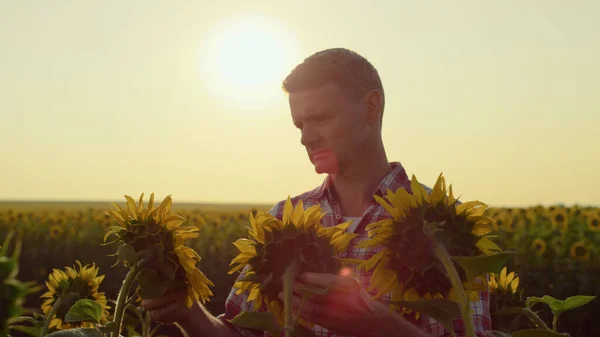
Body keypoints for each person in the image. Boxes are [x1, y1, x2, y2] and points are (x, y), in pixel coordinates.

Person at [141, 48, 491, 337]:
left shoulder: (445, 225)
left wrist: (378, 325)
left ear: (371, 107)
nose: (306, 137)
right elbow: (241, 332)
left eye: (320, 118)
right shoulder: (283, 221)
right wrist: (188, 312)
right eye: (299, 124)